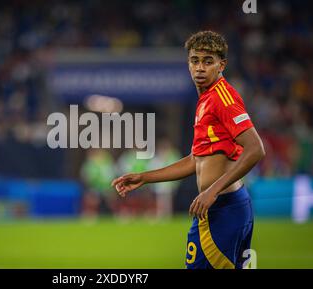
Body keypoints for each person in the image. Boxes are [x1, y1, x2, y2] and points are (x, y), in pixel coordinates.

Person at [111, 31, 265, 269]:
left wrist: (212, 191)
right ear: (188, 64)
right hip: (219, 207)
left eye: (208, 61)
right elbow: (196, 160)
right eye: (195, 61)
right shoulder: (206, 100)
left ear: (221, 64)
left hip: (222, 209)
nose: (200, 68)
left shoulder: (222, 98)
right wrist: (144, 177)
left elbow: (255, 149)